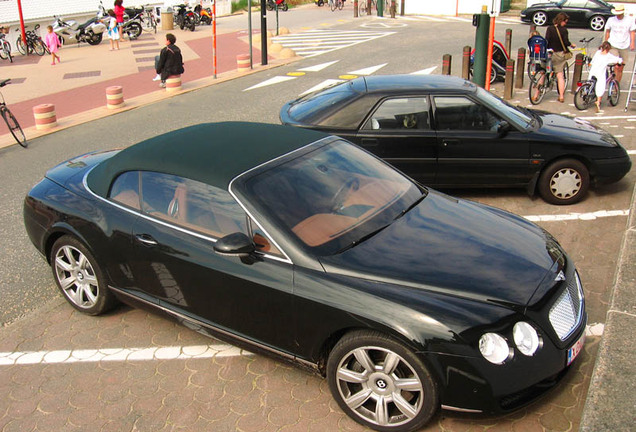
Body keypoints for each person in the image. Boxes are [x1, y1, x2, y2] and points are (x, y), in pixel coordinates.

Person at [545, 12, 575, 102]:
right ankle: (561, 96)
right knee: (560, 75)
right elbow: (566, 42)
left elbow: (546, 40)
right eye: (565, 22)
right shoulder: (564, 30)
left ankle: (536, 94)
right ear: (562, 21)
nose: (565, 24)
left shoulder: (549, 29)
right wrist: (571, 45)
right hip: (559, 54)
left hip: (550, 53)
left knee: (543, 73)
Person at [604, 4, 635, 83]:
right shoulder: (611, 20)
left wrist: (632, 43)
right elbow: (607, 31)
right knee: (616, 65)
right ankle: (613, 81)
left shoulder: (629, 20)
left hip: (624, 45)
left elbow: (632, 32)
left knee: (621, 67)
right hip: (613, 44)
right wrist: (606, 42)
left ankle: (617, 84)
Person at [588, 41, 623, 112]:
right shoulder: (608, 55)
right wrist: (620, 61)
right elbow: (617, 59)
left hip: (593, 71)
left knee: (590, 81)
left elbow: (592, 61)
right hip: (600, 73)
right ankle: (598, 102)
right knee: (601, 86)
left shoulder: (598, 52)